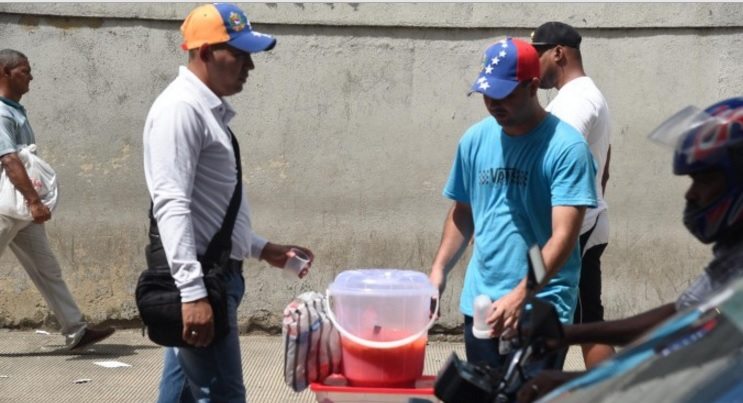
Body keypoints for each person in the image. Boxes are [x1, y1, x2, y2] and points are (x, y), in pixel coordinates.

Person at [517, 97, 743, 402]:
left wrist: (581, 381)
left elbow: (696, 354)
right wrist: (569, 336)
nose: (691, 195)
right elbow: (685, 314)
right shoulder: (733, 255)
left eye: (704, 180)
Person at [142, 3, 315, 402]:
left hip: (212, 277)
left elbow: (212, 208)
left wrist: (259, 248)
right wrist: (192, 294)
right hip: (202, 281)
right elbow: (171, 204)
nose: (248, 67)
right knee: (223, 396)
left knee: (182, 391)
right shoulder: (181, 110)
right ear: (204, 53)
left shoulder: (206, 111)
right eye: (237, 55)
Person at [428, 37, 598, 371]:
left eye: (505, 93)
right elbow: (464, 212)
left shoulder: (565, 148)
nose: (494, 103)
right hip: (481, 304)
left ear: (534, 86)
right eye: (487, 93)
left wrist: (523, 292)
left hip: (541, 305)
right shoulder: (475, 140)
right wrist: (438, 272)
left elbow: (561, 237)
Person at [0, 49, 115, 350]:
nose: (31, 76)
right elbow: (10, 160)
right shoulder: (0, 112)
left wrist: (30, 203)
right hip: (7, 207)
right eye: (24, 70)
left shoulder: (13, 111)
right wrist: (34, 200)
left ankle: (75, 330)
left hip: (20, 210)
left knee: (46, 269)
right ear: (4, 72)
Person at [531, 21, 615, 368]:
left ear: (558, 53)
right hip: (573, 230)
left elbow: (558, 160)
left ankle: (613, 393)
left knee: (580, 323)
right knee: (574, 318)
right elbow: (604, 170)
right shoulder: (583, 96)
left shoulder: (576, 100)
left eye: (537, 56)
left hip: (571, 236)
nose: (532, 67)